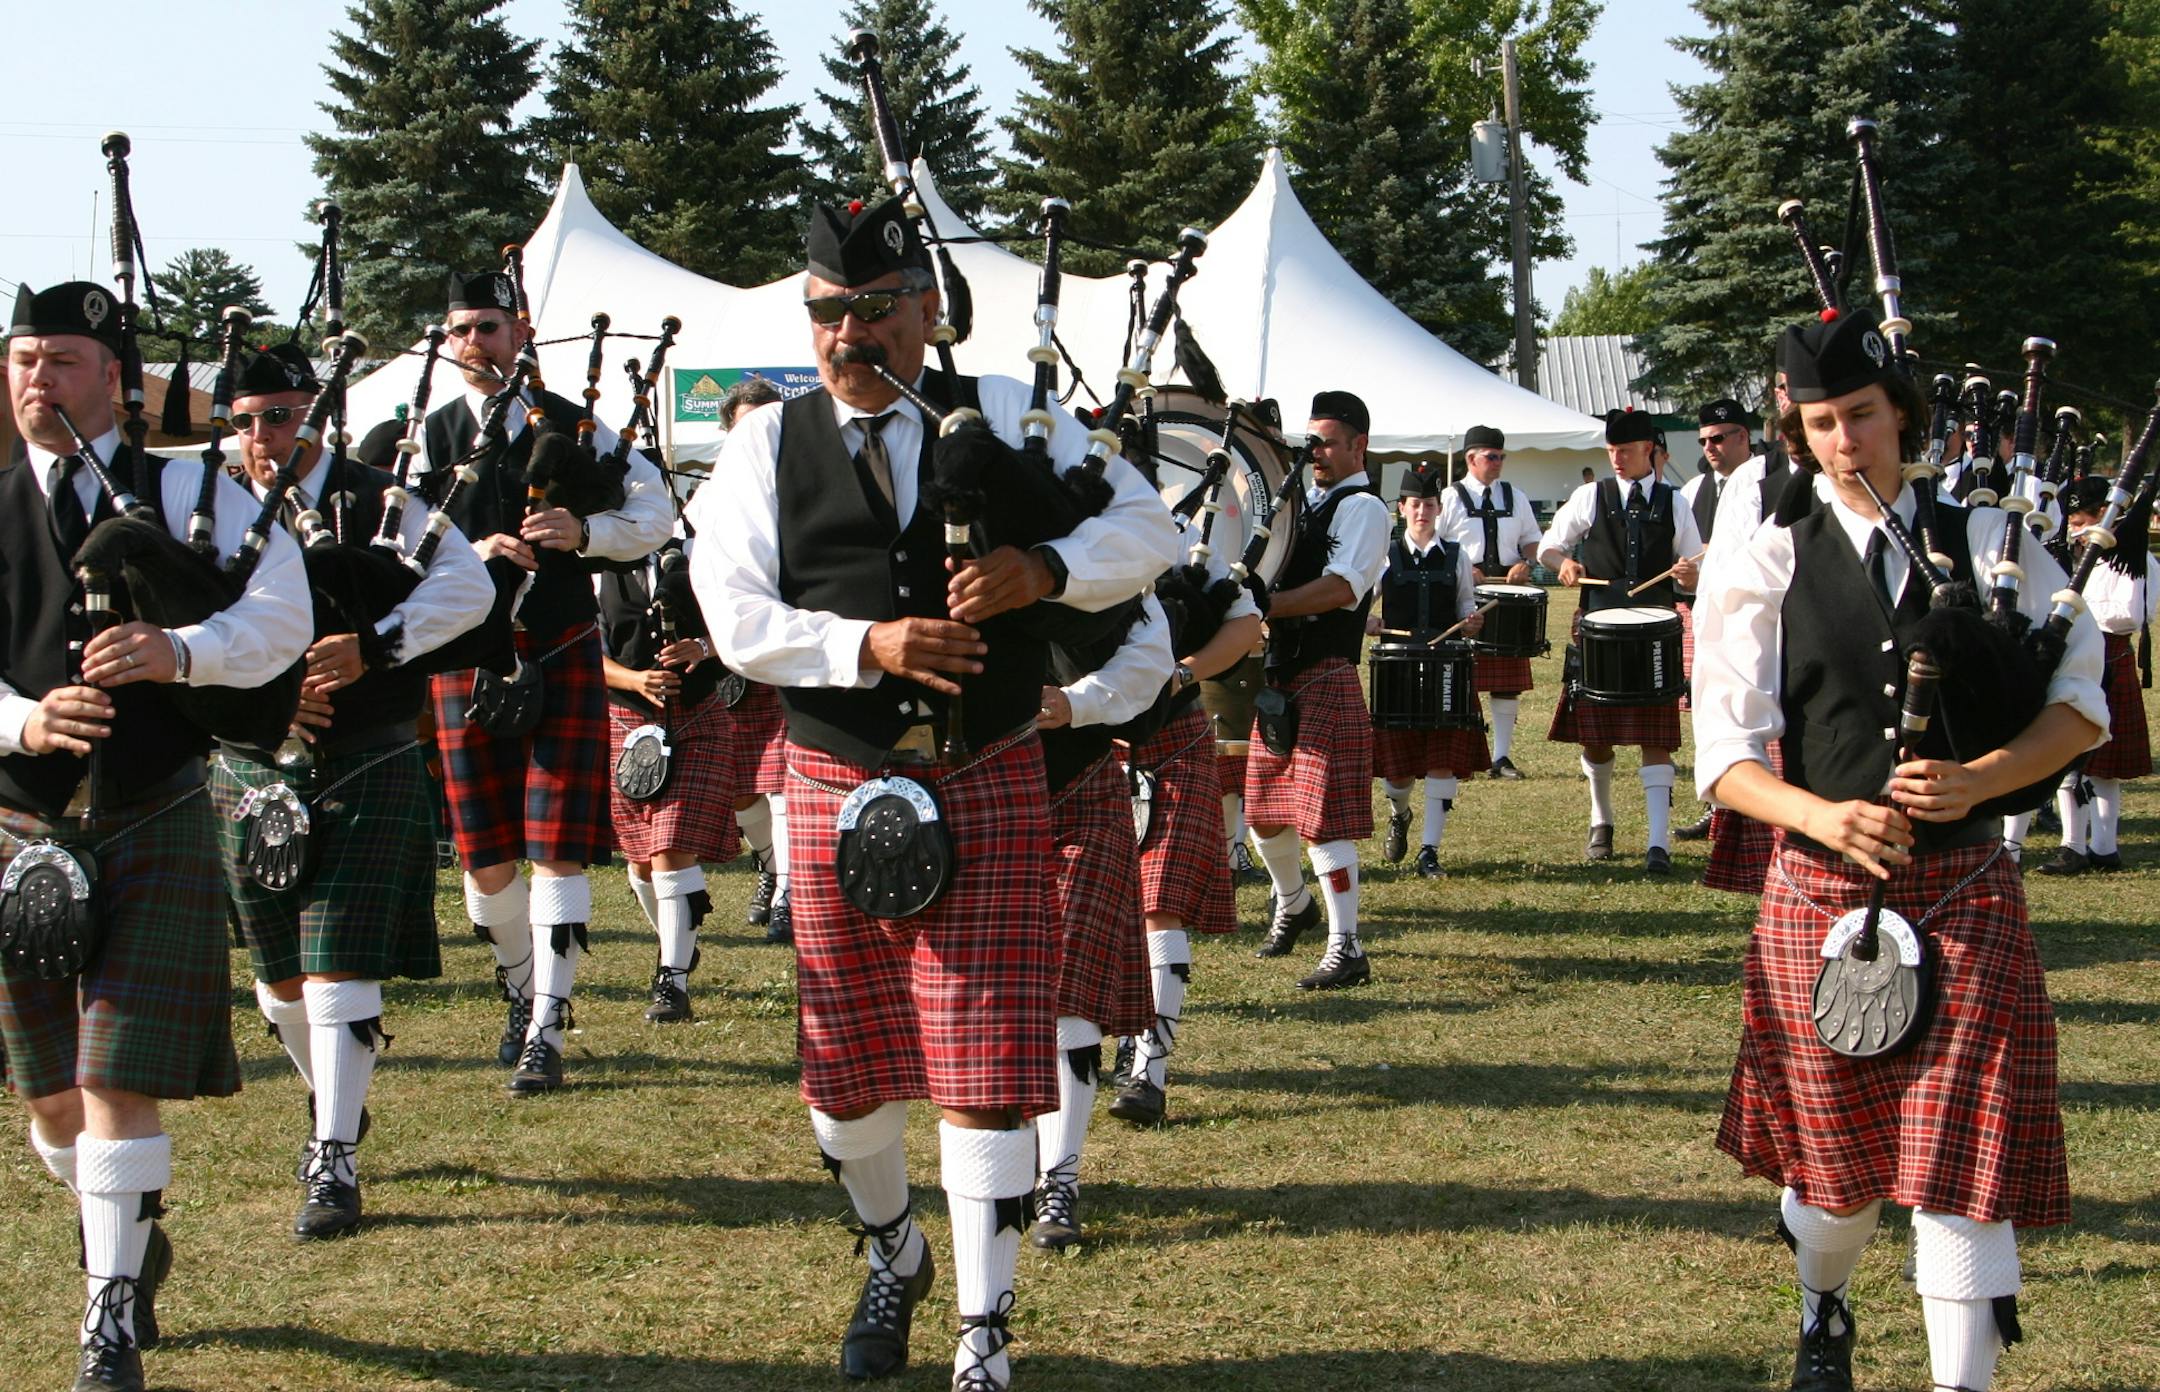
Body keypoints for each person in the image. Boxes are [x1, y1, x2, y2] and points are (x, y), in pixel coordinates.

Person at [686, 195, 1178, 1392]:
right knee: (843, 1085)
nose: (850, 336)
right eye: (827, 313)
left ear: (925, 311)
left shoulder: (1010, 416)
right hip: (832, 775)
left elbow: (1151, 529)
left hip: (988, 771)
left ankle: (983, 1337)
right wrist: (872, 646)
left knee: (980, 1067)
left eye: (875, 310)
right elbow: (736, 617)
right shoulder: (763, 445)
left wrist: (1044, 569)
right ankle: (892, 1248)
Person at [1694, 306, 2105, 1392]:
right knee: (1836, 1189)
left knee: (1963, 1175)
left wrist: (1979, 780)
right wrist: (1821, 815)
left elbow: (2081, 709)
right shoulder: (1767, 553)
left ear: (1903, 416)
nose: (1843, 442)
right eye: (1821, 423)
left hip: (1967, 884)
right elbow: (1726, 755)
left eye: (1862, 417)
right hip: (1821, 888)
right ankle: (1823, 1301)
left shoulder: (1989, 539)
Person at [3, 283, 311, 1391]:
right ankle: (123, 1232)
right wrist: (23, 717)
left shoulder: (198, 494)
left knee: (113, 1075)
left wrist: (183, 653)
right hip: (20, 820)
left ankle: (111, 1317)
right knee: (48, 1097)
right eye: (25, 357)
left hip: (154, 807)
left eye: (67, 359)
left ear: (118, 383)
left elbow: (282, 619)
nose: (40, 377)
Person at [214, 344, 492, 1240]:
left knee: (338, 967)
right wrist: (260, 695)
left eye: (283, 416)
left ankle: (332, 1152)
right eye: (248, 419)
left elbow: (470, 589)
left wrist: (377, 642)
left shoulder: (383, 498)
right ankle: (332, 1095)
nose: (265, 437)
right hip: (254, 762)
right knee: (278, 984)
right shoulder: (210, 515)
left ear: (316, 415)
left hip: (368, 753)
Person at [397, 269, 674, 1093]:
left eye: (488, 327)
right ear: (446, 345)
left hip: (559, 646)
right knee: (485, 859)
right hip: (465, 656)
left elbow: (654, 516)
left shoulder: (577, 427)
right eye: (460, 332)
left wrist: (583, 528)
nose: (475, 344)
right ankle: (519, 987)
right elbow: (386, 550)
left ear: (520, 334)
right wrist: (462, 559)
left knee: (556, 852)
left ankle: (547, 1025)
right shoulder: (423, 436)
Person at [1107, 491, 1262, 1127]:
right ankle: (1108, 1035)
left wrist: (1187, 671)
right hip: (1082, 748)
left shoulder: (1176, 541)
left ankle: (1151, 1070)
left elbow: (1246, 625)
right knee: (1100, 904)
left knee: (1159, 899)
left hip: (1170, 740)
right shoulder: (1058, 543)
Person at [1026, 595, 1170, 1249]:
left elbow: (1150, 657)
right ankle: (1010, 1164)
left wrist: (1076, 703)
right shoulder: (958, 557)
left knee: (1070, 989)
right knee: (997, 998)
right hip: (979, 791)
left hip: (1081, 786)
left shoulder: (1110, 565)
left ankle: (1060, 1180)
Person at [1248, 391, 1391, 988]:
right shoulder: (1301, 504)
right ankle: (1295, 903)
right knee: (1261, 815)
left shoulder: (1364, 508)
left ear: (1358, 444)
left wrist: (1265, 605)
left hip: (1327, 672)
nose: (1317, 453)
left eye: (1327, 442)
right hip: (1280, 675)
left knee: (1323, 824)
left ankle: (1347, 946)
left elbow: (1340, 589)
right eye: (1311, 442)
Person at [1539, 408, 1703, 873]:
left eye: (1625, 451)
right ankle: (1601, 819)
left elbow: (1694, 563)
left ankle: (1657, 843)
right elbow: (1550, 545)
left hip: (1656, 635)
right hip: (1600, 631)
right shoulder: (1592, 496)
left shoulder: (1675, 502)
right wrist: (1562, 565)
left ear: (1648, 451)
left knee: (1657, 739)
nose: (1616, 459)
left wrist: (1691, 570)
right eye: (1611, 450)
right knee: (1596, 738)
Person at [598, 536, 738, 1020]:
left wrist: (702, 646)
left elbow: (750, 625)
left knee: (670, 846)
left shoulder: (706, 555)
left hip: (699, 717)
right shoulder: (596, 568)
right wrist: (635, 680)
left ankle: (672, 981)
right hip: (629, 722)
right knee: (640, 862)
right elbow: (588, 655)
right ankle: (676, 944)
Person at [1372, 464, 1487, 875]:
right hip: (1397, 671)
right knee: (1398, 772)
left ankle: (1429, 851)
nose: (1423, 512)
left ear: (1439, 509)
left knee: (1441, 759)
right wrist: (1366, 622)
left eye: (1430, 505)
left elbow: (1466, 609)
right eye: (1416, 504)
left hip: (1444, 670)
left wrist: (1473, 622)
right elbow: (1362, 602)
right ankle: (1399, 814)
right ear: (1402, 508)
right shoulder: (1384, 555)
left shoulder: (1457, 555)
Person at [2037, 475, 2153, 875]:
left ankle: (2101, 848)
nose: (2072, 522)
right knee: (2076, 761)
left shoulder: (2132, 557)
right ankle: (2077, 845)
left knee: (2097, 766)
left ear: (2103, 513)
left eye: (2080, 514)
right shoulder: (2082, 552)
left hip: (2107, 654)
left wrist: (2084, 614)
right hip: (2088, 655)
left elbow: (2134, 614)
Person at [714, 376, 794, 943]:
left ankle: (790, 890)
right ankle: (768, 865)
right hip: (730, 653)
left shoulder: (806, 482)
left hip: (796, 644)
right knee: (743, 786)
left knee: (782, 784)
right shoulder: (711, 496)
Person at [1673, 398, 1757, 843]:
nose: (1710, 447)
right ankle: (1716, 809)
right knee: (1710, 711)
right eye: (1704, 439)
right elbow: (1685, 556)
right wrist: (1688, 573)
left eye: (1719, 438)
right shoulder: (1692, 492)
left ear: (1743, 437)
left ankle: (1759, 811)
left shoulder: (1767, 483)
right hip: (1708, 617)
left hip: (1757, 616)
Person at [1438, 424, 1538, 778]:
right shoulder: (1449, 499)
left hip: (1509, 597)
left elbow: (1532, 541)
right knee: (1462, 676)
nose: (1498, 463)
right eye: (1491, 457)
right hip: (1465, 595)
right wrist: (1464, 566)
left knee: (1506, 681)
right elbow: (1434, 545)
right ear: (1470, 459)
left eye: (1501, 457)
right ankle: (1463, 755)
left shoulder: (1516, 496)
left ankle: (1502, 756)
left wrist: (1528, 562)